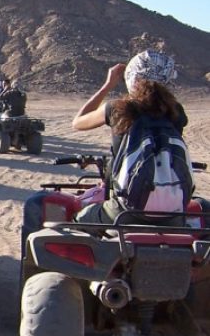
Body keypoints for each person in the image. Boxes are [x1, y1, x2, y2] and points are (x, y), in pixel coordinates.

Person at [71, 50, 188, 224]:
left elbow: (78, 122)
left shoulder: (118, 108)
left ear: (131, 77)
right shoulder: (176, 113)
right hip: (173, 215)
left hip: (125, 212)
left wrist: (108, 84)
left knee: (76, 219)